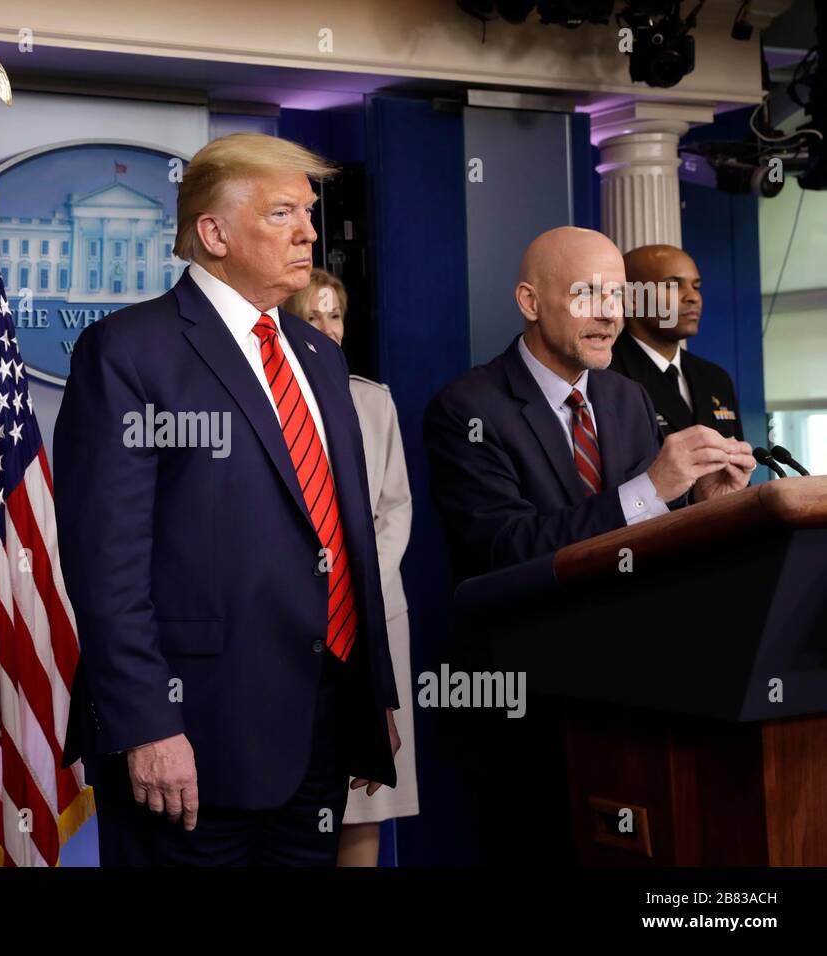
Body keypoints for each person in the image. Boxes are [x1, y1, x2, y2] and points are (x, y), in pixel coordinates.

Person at [54, 134, 401, 866]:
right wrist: (146, 724)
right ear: (213, 234)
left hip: (320, 729)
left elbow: (345, 536)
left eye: (309, 212)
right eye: (282, 214)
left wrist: (370, 698)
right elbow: (105, 562)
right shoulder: (128, 351)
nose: (309, 231)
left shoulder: (319, 353)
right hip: (191, 741)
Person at [424, 226, 755, 583]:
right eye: (587, 294)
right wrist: (651, 487)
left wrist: (702, 504)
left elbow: (650, 527)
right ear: (530, 302)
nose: (610, 314)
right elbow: (505, 550)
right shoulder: (467, 409)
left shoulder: (629, 396)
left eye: (617, 296)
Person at [286, 269, 419, 868]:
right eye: (313, 315)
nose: (328, 328)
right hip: (290, 615)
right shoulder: (257, 398)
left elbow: (394, 506)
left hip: (371, 612)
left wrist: (361, 579)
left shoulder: (372, 398)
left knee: (365, 801)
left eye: (335, 314)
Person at [609, 243, 743, 440]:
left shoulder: (716, 379)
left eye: (696, 286)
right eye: (673, 285)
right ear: (631, 297)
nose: (693, 297)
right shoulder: (605, 375)